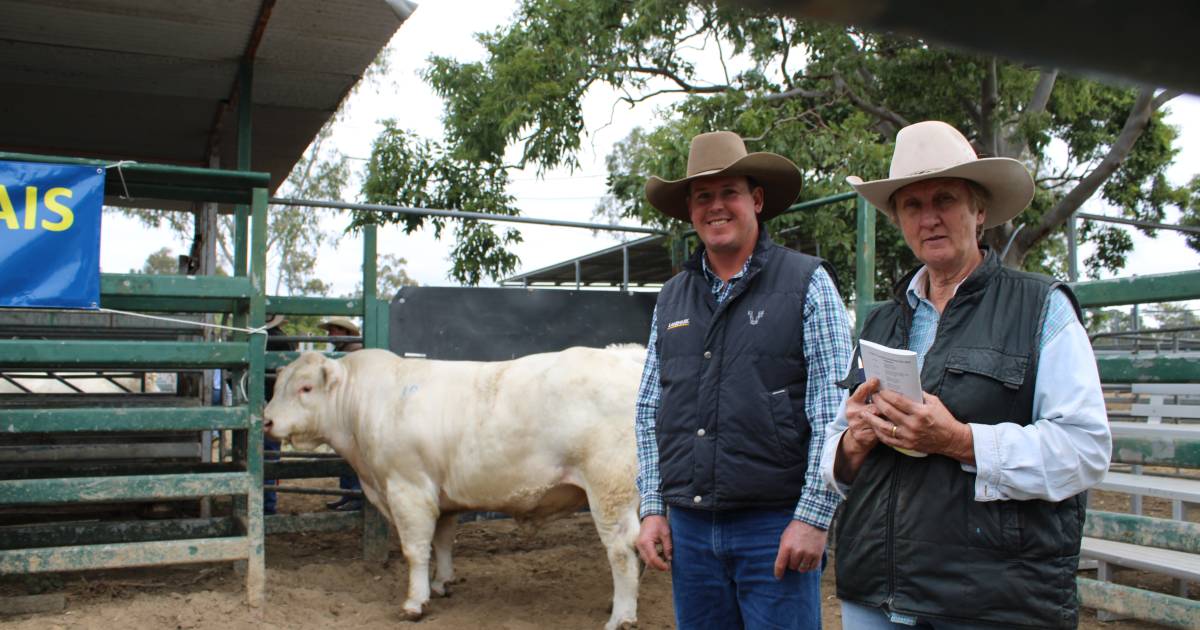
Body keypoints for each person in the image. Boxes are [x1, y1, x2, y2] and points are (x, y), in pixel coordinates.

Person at [822, 120, 1112, 628]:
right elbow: (835, 448)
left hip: (990, 600)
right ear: (898, 220)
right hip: (875, 591)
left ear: (979, 212)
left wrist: (961, 441)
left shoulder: (1041, 307)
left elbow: (1085, 450)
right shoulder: (881, 320)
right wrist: (853, 442)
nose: (929, 218)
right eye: (912, 205)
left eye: (945, 200)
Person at [634, 130, 852, 629]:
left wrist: (813, 518)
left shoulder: (807, 282)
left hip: (775, 527)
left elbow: (834, 410)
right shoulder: (672, 297)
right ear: (690, 210)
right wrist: (652, 508)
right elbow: (650, 410)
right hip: (689, 528)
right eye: (702, 196)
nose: (716, 207)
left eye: (729, 192)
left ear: (756, 200)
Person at [318, 316, 364, 510]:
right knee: (345, 453)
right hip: (345, 410)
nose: (331, 334)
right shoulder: (343, 352)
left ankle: (354, 495)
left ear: (346, 333)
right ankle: (347, 494)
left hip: (353, 409)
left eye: (334, 330)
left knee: (354, 453)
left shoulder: (356, 352)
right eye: (330, 331)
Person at [263, 314, 296, 516]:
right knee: (269, 454)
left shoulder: (263, 338)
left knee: (267, 454)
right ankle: (267, 503)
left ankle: (266, 504)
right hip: (274, 402)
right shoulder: (282, 339)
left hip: (267, 401)